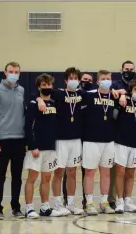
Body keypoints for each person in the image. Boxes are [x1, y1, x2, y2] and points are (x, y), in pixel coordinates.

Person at [0, 62, 26, 219]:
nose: (13, 74)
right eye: (11, 71)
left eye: (16, 71)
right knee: (0, 176)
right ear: (5, 72)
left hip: (19, 140)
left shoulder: (21, 90)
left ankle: (16, 207)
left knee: (17, 176)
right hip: (3, 139)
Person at [24, 73, 61, 218]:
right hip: (36, 148)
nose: (47, 87)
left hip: (50, 147)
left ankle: (45, 207)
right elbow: (28, 126)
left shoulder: (53, 103)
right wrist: (32, 146)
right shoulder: (34, 104)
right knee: (32, 178)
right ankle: (29, 208)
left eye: (49, 85)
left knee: (46, 178)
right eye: (44, 85)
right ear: (39, 87)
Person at [48, 67, 85, 216]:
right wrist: (38, 99)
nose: (74, 81)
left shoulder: (82, 95)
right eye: (71, 78)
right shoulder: (58, 93)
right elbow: (38, 94)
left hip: (76, 139)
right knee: (58, 172)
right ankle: (57, 204)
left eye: (76, 78)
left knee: (72, 172)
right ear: (65, 80)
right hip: (60, 139)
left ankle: (70, 204)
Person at [81, 70, 117, 215]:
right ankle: (89, 202)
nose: (106, 81)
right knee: (89, 172)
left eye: (108, 78)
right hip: (91, 140)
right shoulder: (89, 95)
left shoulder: (115, 97)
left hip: (108, 141)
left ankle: (103, 202)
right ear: (97, 82)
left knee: (106, 172)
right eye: (103, 79)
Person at [114, 79, 136, 213]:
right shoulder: (124, 101)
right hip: (121, 142)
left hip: (135, 143)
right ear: (131, 91)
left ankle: (127, 200)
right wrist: (121, 97)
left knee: (131, 172)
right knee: (120, 171)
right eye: (135, 90)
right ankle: (119, 201)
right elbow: (114, 116)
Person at [62, 72, 94, 209]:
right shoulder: (65, 95)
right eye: (84, 79)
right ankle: (66, 200)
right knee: (69, 170)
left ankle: (86, 200)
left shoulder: (89, 96)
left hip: (86, 139)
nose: (86, 81)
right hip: (70, 138)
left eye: (89, 80)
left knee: (86, 170)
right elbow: (40, 94)